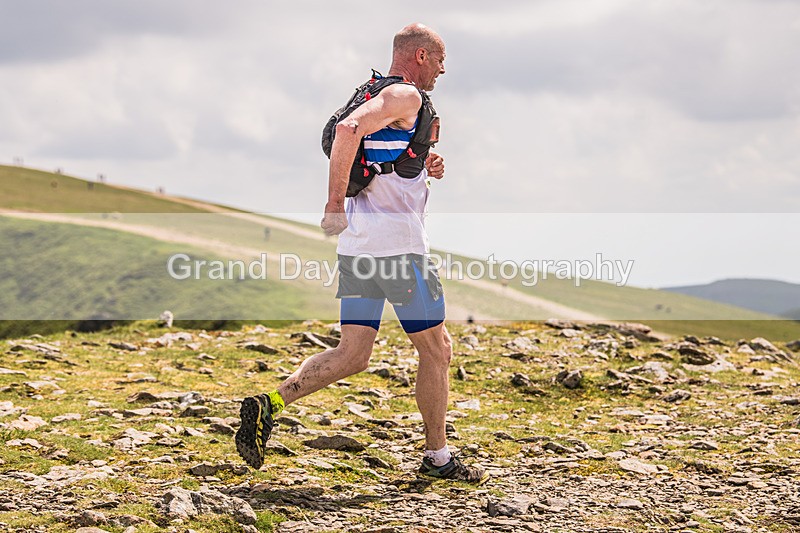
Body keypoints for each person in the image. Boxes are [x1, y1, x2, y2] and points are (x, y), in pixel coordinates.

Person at [236, 23, 487, 484]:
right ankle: (438, 459)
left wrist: (423, 163)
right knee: (438, 350)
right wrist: (333, 205)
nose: (444, 69)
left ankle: (269, 403)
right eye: (440, 60)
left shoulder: (373, 94)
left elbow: (377, 155)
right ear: (419, 57)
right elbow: (350, 130)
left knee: (353, 353)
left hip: (360, 249)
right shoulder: (405, 96)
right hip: (399, 249)